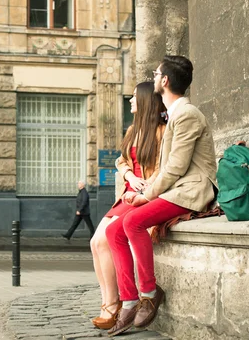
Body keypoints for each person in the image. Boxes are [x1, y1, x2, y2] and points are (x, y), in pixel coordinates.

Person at [106, 55, 218, 336]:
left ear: (164, 81)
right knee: (114, 232)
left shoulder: (188, 114)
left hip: (192, 189)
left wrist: (146, 197)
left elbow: (177, 168)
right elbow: (167, 167)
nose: (153, 78)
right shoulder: (176, 115)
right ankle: (129, 300)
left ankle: (149, 293)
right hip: (175, 187)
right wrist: (144, 189)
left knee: (132, 223)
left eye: (156, 74)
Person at [89, 81, 167, 330]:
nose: (131, 101)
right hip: (127, 192)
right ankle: (108, 302)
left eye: (134, 97)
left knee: (103, 241)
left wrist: (147, 185)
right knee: (94, 242)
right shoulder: (133, 130)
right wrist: (130, 176)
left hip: (144, 195)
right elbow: (121, 161)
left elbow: (166, 168)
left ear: (145, 101)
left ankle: (115, 305)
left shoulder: (162, 131)